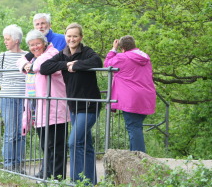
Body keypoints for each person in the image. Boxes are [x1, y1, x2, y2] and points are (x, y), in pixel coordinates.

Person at [40, 23, 102, 185]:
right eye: (69, 36)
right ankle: (89, 182)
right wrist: (66, 65)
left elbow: (97, 62)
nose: (72, 39)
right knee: (86, 145)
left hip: (89, 105)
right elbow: (45, 67)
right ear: (65, 37)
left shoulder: (86, 51)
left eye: (75, 36)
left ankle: (76, 182)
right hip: (73, 106)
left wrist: (77, 65)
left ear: (80, 38)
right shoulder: (63, 54)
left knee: (74, 143)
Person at [17, 30, 69, 179]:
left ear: (44, 43)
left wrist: (29, 65)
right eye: (32, 45)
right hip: (39, 109)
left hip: (55, 106)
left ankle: (58, 177)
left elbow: (40, 64)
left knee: (57, 145)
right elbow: (19, 61)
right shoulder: (34, 57)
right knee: (45, 145)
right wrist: (25, 63)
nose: (35, 47)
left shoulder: (52, 53)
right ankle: (46, 173)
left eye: (37, 44)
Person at [103, 35, 156, 153]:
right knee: (136, 127)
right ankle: (134, 157)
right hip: (147, 96)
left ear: (122, 48)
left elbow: (107, 64)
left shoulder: (122, 57)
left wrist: (113, 49)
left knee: (133, 127)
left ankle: (140, 160)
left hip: (131, 98)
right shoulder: (144, 57)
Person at [0, 24, 27, 173]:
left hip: (24, 98)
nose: (5, 42)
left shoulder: (27, 55)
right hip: (8, 98)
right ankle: (8, 165)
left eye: (7, 39)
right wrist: (5, 87)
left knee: (22, 132)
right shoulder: (2, 56)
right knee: (10, 132)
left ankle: (19, 164)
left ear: (16, 40)